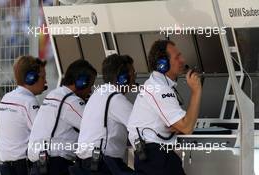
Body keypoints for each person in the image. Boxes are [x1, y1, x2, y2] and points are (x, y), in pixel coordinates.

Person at [127, 40, 202, 175]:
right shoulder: (159, 88)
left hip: (153, 157)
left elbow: (182, 126)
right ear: (163, 64)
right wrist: (196, 91)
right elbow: (187, 127)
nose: (183, 60)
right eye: (177, 57)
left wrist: (180, 125)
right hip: (156, 158)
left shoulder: (158, 85)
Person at [28, 59, 97, 175]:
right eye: (90, 85)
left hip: (40, 164)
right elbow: (94, 127)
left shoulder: (55, 94)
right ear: (81, 82)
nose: (90, 91)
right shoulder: (70, 100)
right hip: (55, 164)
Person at [74, 54, 136, 175]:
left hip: (87, 163)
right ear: (123, 78)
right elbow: (142, 126)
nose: (134, 78)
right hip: (103, 164)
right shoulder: (115, 98)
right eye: (133, 73)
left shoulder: (98, 94)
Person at [0, 55, 47, 175]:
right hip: (22, 166)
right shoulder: (29, 102)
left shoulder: (6, 97)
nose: (45, 81)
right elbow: (43, 134)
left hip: (5, 165)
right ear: (31, 78)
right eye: (43, 77)